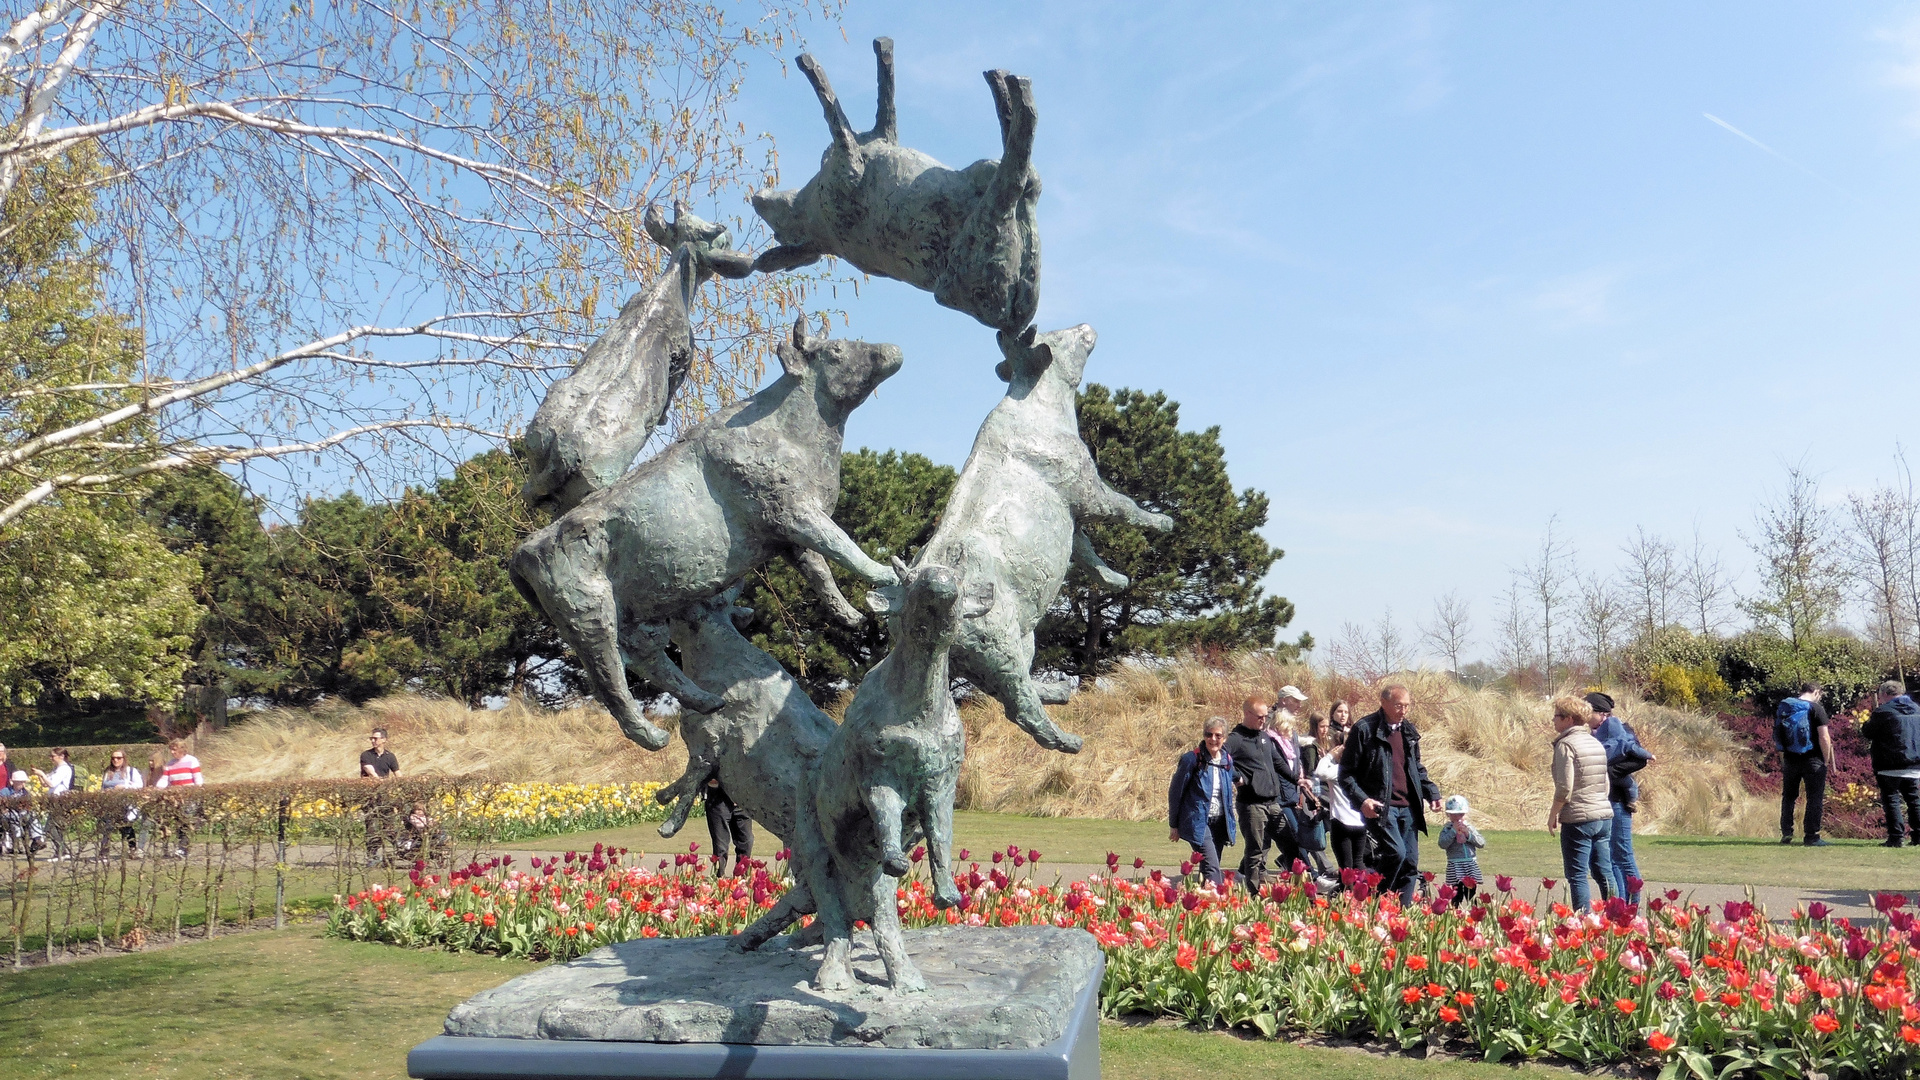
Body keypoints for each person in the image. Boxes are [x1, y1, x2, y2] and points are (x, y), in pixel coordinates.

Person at [1338, 684, 1442, 905]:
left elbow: (1416, 769)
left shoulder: (1409, 731)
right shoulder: (1365, 729)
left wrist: (1431, 793)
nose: (1403, 711)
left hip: (1409, 807)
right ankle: (1373, 899)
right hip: (1381, 806)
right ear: (1383, 703)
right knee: (1396, 853)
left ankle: (1401, 914)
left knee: (1410, 863)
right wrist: (1362, 800)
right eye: (1398, 705)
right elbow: (1345, 774)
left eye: (1406, 706)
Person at [1548, 695, 1613, 910]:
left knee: (1577, 875)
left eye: (1556, 716)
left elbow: (1565, 788)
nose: (1553, 721)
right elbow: (1605, 782)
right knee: (1604, 872)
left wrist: (1553, 814)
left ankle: (1583, 924)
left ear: (1568, 719)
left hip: (1578, 817)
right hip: (1603, 814)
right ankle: (1619, 916)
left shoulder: (1565, 745)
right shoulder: (1595, 742)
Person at [1588, 692, 1655, 901]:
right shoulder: (1591, 734)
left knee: (1623, 855)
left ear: (1601, 713)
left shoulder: (1620, 729)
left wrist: (1607, 772)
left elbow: (1639, 759)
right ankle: (1618, 904)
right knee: (1607, 858)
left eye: (1588, 711)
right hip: (1600, 801)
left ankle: (1632, 908)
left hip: (1617, 801)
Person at [1225, 695, 1287, 894]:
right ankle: (1253, 894)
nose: (1263, 720)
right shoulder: (1236, 738)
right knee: (1255, 851)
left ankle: (1299, 888)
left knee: (1290, 843)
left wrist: (1298, 779)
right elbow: (1220, 757)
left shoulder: (1264, 737)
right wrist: (1238, 777)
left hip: (1273, 802)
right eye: (1260, 717)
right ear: (1247, 714)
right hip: (1252, 804)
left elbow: (1277, 763)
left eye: (1266, 716)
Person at [1168, 716, 1237, 889]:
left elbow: (1231, 782)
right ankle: (1219, 901)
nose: (1213, 739)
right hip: (1198, 821)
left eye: (1218, 735)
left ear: (1225, 738)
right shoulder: (1191, 759)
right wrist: (1174, 825)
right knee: (1212, 866)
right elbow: (1176, 792)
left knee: (1207, 868)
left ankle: (1202, 906)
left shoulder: (1226, 760)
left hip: (1220, 821)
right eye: (1209, 734)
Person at [1773, 682, 1835, 847]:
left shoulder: (1786, 706)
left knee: (1789, 797)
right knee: (1814, 797)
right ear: (1816, 692)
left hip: (1790, 759)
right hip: (1813, 759)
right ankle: (1811, 836)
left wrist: (1783, 758)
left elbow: (1779, 734)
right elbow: (1824, 737)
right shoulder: (1816, 709)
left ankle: (1787, 831)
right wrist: (1826, 759)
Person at [1864, 679, 1920, 848]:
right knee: (1914, 800)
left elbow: (1868, 732)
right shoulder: (1917, 709)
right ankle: (1918, 836)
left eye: (1881, 696)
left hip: (1889, 763)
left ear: (1886, 694)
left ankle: (1896, 837)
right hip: (1914, 762)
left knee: (1891, 800)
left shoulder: (1883, 711)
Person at [1316, 726, 1367, 874]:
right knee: (1358, 863)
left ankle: (1347, 895)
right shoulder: (1361, 769)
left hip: (1341, 822)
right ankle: (1367, 891)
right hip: (1360, 821)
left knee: (1346, 868)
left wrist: (1329, 756)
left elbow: (1320, 772)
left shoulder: (1339, 770)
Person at [1262, 704, 1306, 875]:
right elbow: (1280, 769)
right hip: (1279, 797)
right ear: (1280, 725)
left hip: (1291, 795)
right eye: (1289, 725)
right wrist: (1296, 779)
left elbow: (1295, 765)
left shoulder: (1289, 744)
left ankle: (1297, 870)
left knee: (1291, 837)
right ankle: (1307, 872)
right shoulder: (1272, 742)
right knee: (1294, 835)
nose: (1291, 730)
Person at [153, 738, 204, 857]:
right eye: (171, 749)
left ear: (182, 749)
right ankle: (182, 847)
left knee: (186, 821)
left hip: (189, 796)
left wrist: (197, 792)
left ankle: (182, 848)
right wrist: (156, 789)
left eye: (174, 750)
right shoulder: (170, 764)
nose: (172, 752)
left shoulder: (192, 761)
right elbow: (165, 780)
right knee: (179, 823)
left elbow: (198, 778)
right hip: (175, 799)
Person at [1435, 795, 1486, 907]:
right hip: (1454, 863)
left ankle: (1474, 911)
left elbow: (1481, 843)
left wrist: (1468, 834)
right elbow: (1442, 844)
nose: (1458, 817)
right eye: (1454, 815)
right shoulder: (1447, 829)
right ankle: (1455, 911)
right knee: (1456, 892)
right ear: (1448, 815)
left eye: (1461, 814)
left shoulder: (1469, 827)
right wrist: (1453, 831)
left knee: (1470, 892)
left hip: (1469, 863)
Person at [358, 728, 400, 866]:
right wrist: (379, 780)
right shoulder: (366, 755)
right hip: (369, 797)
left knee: (389, 827)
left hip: (384, 797)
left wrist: (405, 786)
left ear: (384, 740)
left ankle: (393, 855)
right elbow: (369, 771)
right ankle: (372, 856)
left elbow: (398, 774)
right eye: (372, 738)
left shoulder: (390, 756)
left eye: (376, 738)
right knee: (371, 827)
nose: (373, 740)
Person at [98, 749, 144, 859]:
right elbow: (103, 786)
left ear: (124, 759)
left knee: (126, 828)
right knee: (107, 827)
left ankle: (132, 849)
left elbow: (139, 786)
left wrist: (124, 787)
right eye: (113, 758)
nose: (115, 760)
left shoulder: (131, 771)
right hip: (110, 804)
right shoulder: (108, 772)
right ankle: (104, 852)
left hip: (125, 804)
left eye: (118, 758)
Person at [704, 777, 753, 877]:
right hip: (718, 799)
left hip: (742, 800)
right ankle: (719, 879)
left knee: (747, 840)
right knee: (720, 846)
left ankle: (741, 877)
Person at [31, 747, 74, 858]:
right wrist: (40, 775)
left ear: (61, 756)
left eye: (53, 756)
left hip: (59, 800)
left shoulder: (64, 769)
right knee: (54, 827)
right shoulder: (56, 769)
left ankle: (62, 851)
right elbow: (45, 784)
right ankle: (62, 851)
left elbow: (52, 783)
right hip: (53, 799)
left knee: (50, 827)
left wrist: (42, 774)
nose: (51, 758)